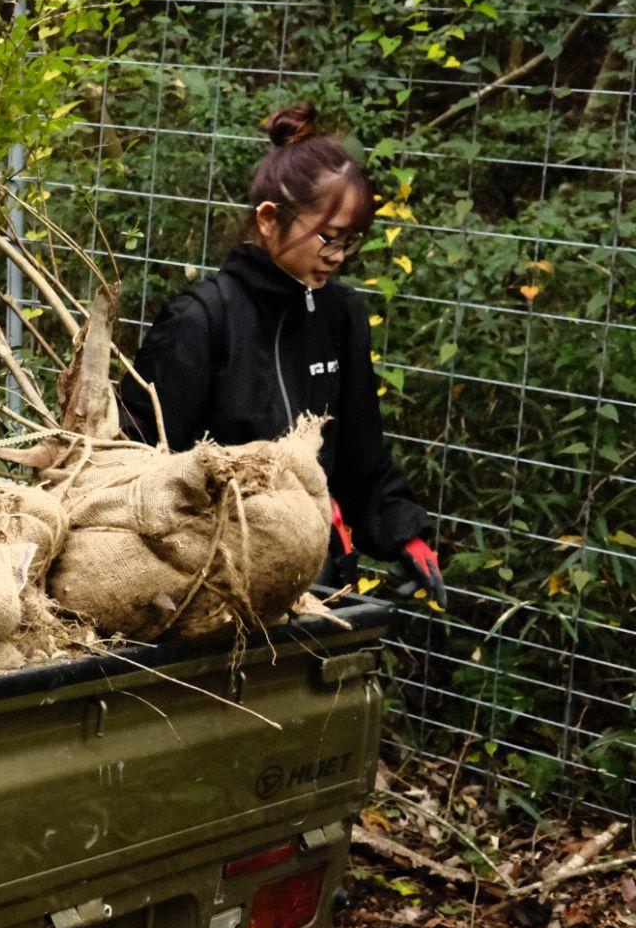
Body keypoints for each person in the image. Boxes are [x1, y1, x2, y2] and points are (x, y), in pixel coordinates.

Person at [118, 103, 445, 605]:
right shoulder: (200, 321)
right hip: (213, 586)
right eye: (328, 238)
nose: (337, 257)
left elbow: (360, 452)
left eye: (350, 242)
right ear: (269, 220)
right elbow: (137, 464)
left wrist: (404, 530)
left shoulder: (342, 316)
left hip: (321, 582)